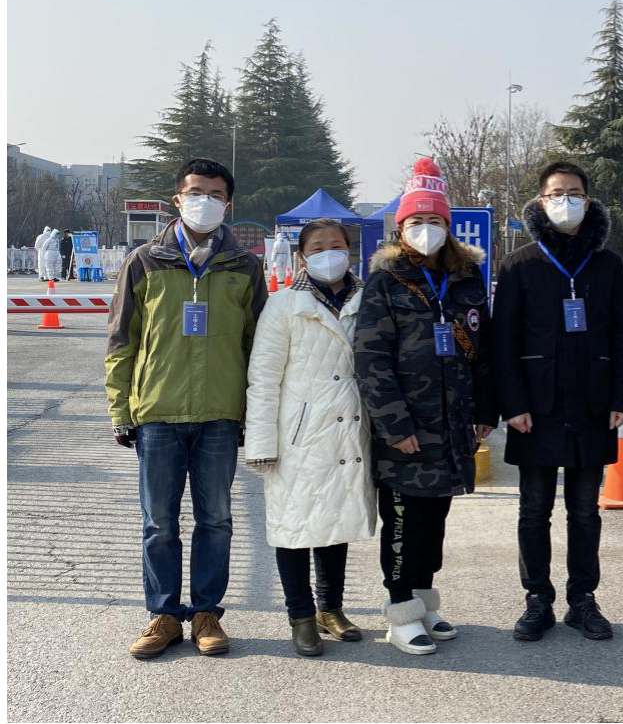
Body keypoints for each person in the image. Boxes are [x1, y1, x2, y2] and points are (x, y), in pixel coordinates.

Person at [105, 158, 267, 659]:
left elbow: (258, 345)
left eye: (215, 194)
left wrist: (254, 412)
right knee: (159, 522)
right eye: (196, 193)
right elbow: (122, 340)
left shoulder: (244, 266)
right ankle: (164, 615)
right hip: (158, 410)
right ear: (177, 199)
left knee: (216, 519)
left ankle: (206, 614)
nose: (205, 202)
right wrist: (120, 409)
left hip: (220, 412)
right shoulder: (143, 261)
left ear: (228, 204)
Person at [354, 158, 496, 656]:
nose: (426, 229)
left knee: (435, 520)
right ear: (401, 228)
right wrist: (395, 425)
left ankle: (424, 598)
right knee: (403, 524)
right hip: (406, 428)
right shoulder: (386, 281)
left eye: (435, 220)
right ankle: (400, 609)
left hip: (453, 425)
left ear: (448, 225)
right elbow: (370, 357)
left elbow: (485, 350)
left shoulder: (467, 278)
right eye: (416, 220)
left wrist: (485, 412)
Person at [493, 161, 623, 642]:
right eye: (556, 193)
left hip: (593, 405)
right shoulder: (518, 264)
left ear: (588, 201)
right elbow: (503, 341)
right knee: (534, 509)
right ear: (540, 202)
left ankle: (582, 600)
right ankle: (537, 599)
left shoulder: (607, 264)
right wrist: (512, 403)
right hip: (535, 408)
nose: (566, 201)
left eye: (574, 193)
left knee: (585, 510)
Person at [245, 218, 376, 656]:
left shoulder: (367, 299)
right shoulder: (283, 305)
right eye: (317, 248)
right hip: (299, 435)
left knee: (335, 520)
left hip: (350, 428)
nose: (328, 254)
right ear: (301, 257)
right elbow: (264, 378)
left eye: (336, 246)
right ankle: (301, 616)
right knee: (294, 526)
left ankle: (331, 608)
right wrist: (261, 443)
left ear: (350, 252)